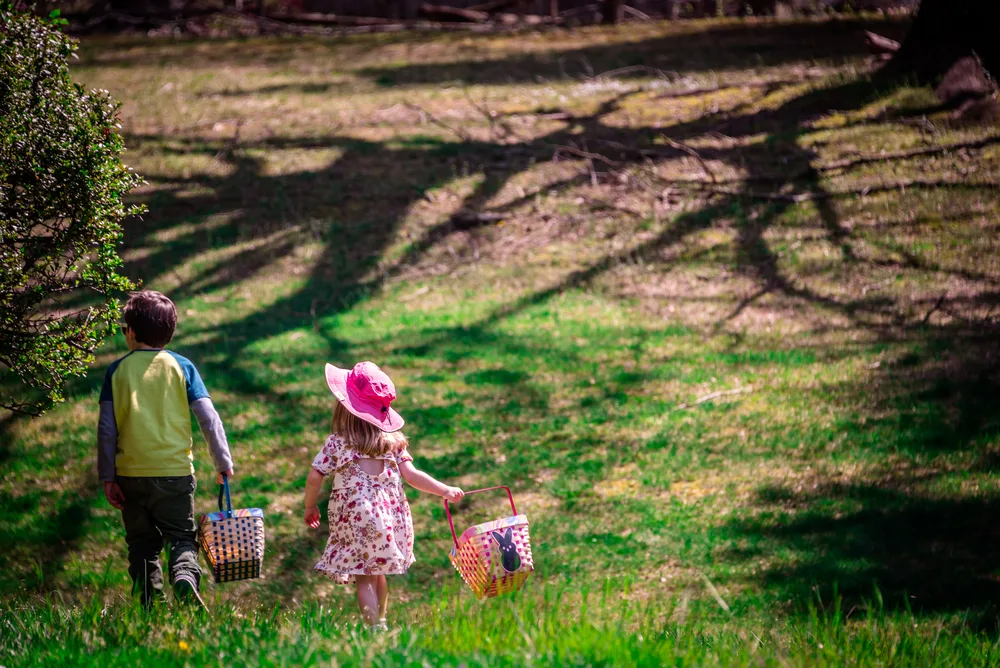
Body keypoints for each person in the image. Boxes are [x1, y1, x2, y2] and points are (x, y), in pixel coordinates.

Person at [97, 290, 234, 608]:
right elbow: (208, 419)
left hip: (130, 475)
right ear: (169, 332)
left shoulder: (116, 371)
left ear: (130, 332)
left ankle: (150, 602)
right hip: (174, 474)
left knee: (142, 545)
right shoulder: (182, 367)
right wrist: (222, 461)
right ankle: (185, 575)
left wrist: (108, 476)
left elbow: (106, 429)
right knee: (182, 536)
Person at [303, 361, 464, 630]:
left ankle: (371, 628)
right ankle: (382, 623)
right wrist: (444, 490)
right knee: (377, 574)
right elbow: (413, 476)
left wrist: (310, 506)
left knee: (363, 577)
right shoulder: (392, 442)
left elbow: (314, 476)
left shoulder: (338, 441)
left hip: (355, 519)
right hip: (388, 517)